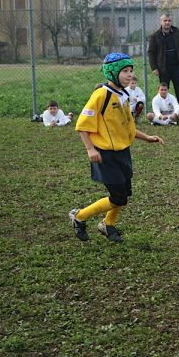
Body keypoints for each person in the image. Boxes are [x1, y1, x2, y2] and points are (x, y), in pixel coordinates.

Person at [69, 53, 164, 243]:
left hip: (122, 152)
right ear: (112, 73)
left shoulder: (123, 95)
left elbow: (126, 126)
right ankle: (79, 217)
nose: (130, 75)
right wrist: (90, 149)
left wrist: (146, 138)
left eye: (131, 71)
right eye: (125, 71)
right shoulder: (101, 95)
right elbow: (82, 125)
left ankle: (107, 224)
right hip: (105, 154)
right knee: (118, 197)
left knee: (124, 194)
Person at [148, 13, 179, 108]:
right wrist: (154, 68)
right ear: (161, 22)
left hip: (176, 66)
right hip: (163, 68)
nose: (167, 22)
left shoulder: (176, 32)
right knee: (164, 90)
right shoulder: (155, 36)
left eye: (169, 20)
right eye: (165, 20)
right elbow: (151, 52)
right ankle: (165, 110)